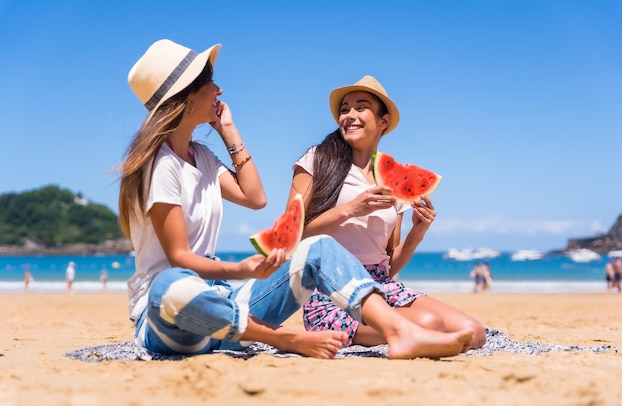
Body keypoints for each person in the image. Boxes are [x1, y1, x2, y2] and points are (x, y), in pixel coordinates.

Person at [118, 40, 473, 360]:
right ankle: (284, 338)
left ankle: (401, 333)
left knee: (318, 246)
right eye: (209, 81)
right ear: (187, 95)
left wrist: (229, 131)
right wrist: (242, 269)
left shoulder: (203, 159)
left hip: (226, 315)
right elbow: (180, 257)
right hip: (169, 321)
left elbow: (254, 198)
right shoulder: (160, 166)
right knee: (170, 285)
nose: (219, 88)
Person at [288, 75, 486, 350]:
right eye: (345, 109)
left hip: (382, 285)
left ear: (383, 121)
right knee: (428, 323)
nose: (350, 115)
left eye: (361, 107)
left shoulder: (392, 181)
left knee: (474, 332)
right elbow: (292, 236)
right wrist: (350, 209)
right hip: (332, 289)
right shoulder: (317, 160)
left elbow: (390, 264)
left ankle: (385, 331)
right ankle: (343, 331)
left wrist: (418, 231)